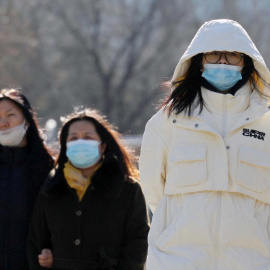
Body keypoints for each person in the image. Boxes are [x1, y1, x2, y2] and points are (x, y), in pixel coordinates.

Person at [139, 19, 270, 269]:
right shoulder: (167, 123)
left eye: (232, 55)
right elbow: (153, 190)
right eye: (213, 54)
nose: (222, 62)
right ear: (198, 62)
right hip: (178, 260)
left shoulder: (267, 124)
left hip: (252, 262)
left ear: (248, 63)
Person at [27, 108, 150, 270]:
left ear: (103, 146)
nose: (80, 142)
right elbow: (36, 240)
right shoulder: (51, 188)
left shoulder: (127, 188)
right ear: (64, 146)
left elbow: (138, 240)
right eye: (73, 138)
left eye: (87, 137)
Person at [0, 89, 54, 270]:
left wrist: (50, 250)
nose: (3, 123)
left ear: (27, 119)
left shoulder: (48, 169)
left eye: (10, 115)